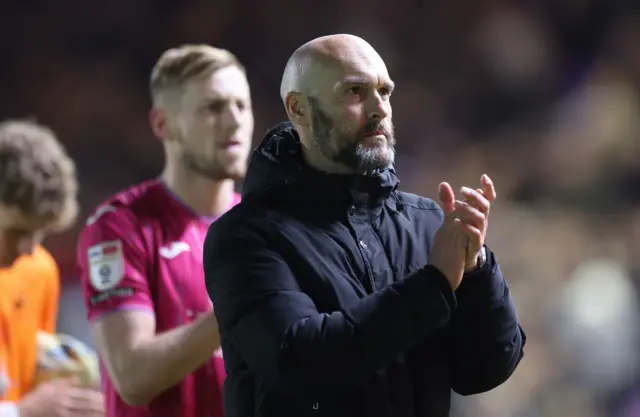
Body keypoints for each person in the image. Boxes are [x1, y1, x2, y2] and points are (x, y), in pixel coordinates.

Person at [203, 34, 526, 417]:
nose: (378, 108)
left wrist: (476, 271)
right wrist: (435, 284)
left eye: (384, 92)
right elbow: (299, 362)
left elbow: (483, 372)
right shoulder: (245, 235)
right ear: (299, 109)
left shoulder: (426, 222)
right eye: (355, 92)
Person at [76, 44, 254, 417]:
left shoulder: (263, 223)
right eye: (213, 107)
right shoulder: (118, 228)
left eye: (242, 105)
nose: (235, 120)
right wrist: (246, 303)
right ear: (162, 124)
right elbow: (133, 377)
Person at [0, 120, 104, 417]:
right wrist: (20, 412)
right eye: (18, 231)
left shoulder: (39, 270)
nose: (28, 249)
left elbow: (23, 379)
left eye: (40, 233)